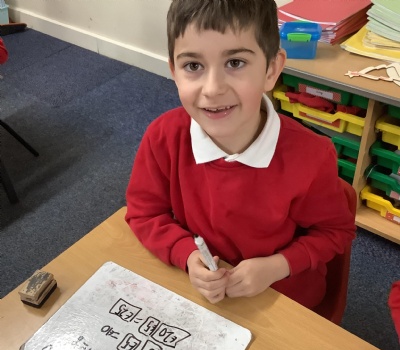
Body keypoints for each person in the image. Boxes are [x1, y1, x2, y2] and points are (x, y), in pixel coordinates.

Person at [125, 0, 356, 309]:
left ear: (271, 70)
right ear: (174, 72)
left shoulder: (311, 155)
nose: (212, 89)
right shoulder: (163, 137)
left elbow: (334, 232)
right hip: (201, 294)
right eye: (193, 66)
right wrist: (187, 255)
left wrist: (277, 266)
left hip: (281, 298)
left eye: (235, 63)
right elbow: (144, 213)